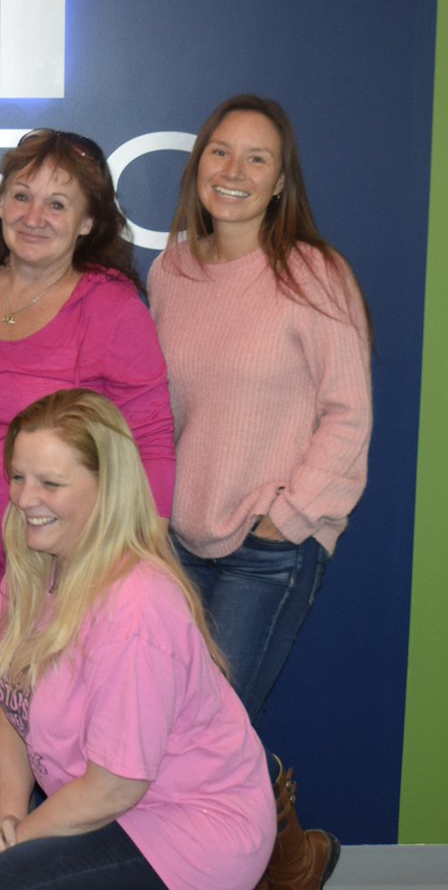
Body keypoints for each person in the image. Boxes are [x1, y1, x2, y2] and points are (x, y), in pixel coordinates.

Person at [149, 94, 371, 888]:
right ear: (198, 162)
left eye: (256, 159)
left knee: (210, 733)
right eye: (220, 152)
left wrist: (289, 518)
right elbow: (159, 409)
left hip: (266, 550)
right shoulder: (170, 267)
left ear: (281, 182)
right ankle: (290, 857)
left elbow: (348, 412)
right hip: (176, 542)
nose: (233, 172)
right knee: (179, 733)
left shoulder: (313, 273)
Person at [0, 129, 174, 829]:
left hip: (69, 586)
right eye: (21, 195)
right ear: (0, 203)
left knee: (79, 765)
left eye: (57, 202)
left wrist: (133, 561)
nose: (34, 214)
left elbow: (152, 442)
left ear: (88, 221)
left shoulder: (109, 307)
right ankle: (6, 865)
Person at [0, 389, 273, 890]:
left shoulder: (136, 608)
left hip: (190, 830)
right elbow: (10, 709)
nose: (24, 498)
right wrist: (8, 820)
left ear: (106, 489)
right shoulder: (35, 567)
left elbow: (115, 787)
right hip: (110, 810)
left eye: (50, 483)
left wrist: (20, 842)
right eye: (18, 476)